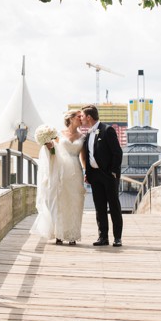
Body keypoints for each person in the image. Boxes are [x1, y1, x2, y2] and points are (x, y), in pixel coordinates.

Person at [32, 110, 86, 245]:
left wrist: (88, 174)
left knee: (75, 202)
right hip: (60, 172)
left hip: (76, 172)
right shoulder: (58, 135)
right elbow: (53, 153)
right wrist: (49, 147)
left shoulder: (83, 137)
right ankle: (60, 234)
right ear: (71, 118)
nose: (81, 118)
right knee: (61, 202)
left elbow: (83, 158)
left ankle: (73, 234)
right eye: (79, 116)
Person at [80, 105, 124, 247]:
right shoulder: (88, 134)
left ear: (89, 117)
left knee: (114, 206)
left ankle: (117, 238)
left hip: (108, 175)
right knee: (99, 207)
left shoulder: (107, 130)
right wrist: (88, 173)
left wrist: (113, 171)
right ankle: (103, 237)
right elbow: (88, 156)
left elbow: (117, 153)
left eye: (82, 116)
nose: (81, 118)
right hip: (95, 176)